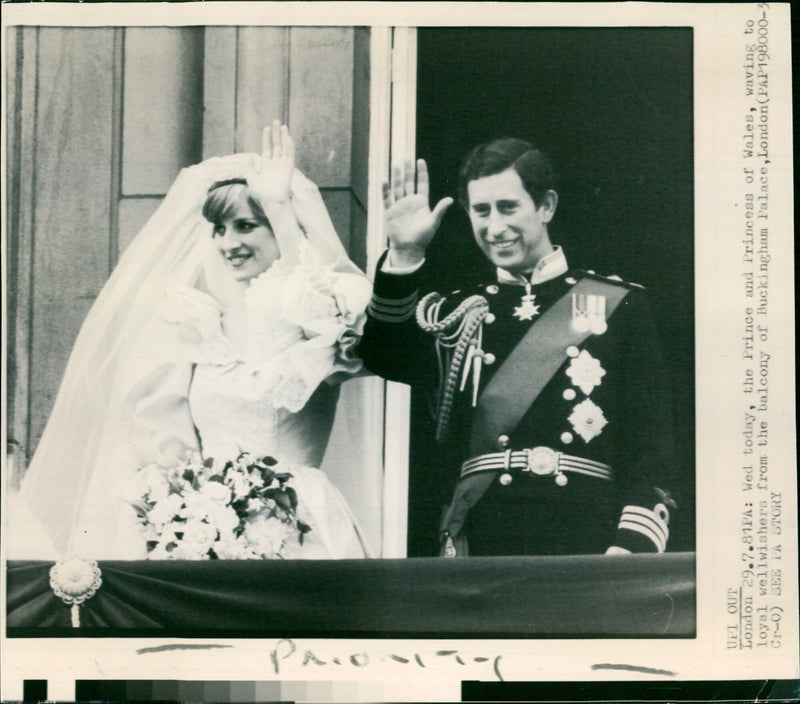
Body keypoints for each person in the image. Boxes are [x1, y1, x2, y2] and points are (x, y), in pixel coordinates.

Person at [11, 122, 373, 560]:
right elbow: (160, 440)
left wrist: (278, 207)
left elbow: (310, 305)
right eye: (219, 229)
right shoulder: (196, 323)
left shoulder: (322, 311)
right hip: (203, 525)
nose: (228, 243)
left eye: (245, 226)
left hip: (298, 523)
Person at [358, 138, 679, 557]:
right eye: (481, 211)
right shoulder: (456, 310)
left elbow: (651, 450)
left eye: (508, 207)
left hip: (587, 541)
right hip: (480, 540)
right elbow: (384, 356)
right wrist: (404, 253)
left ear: (545, 206)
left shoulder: (618, 304)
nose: (494, 228)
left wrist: (629, 548)